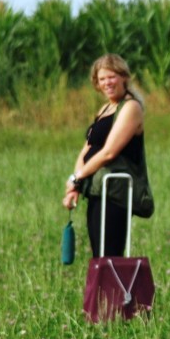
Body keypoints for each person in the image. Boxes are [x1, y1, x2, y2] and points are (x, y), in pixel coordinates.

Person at [62, 54, 147, 257]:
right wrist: (76, 186)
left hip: (115, 191)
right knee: (98, 255)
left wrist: (77, 177)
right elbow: (87, 149)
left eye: (112, 77)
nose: (107, 83)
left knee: (109, 257)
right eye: (102, 79)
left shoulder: (131, 108)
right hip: (97, 189)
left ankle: (116, 291)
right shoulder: (105, 109)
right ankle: (102, 290)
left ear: (124, 77)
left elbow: (109, 153)